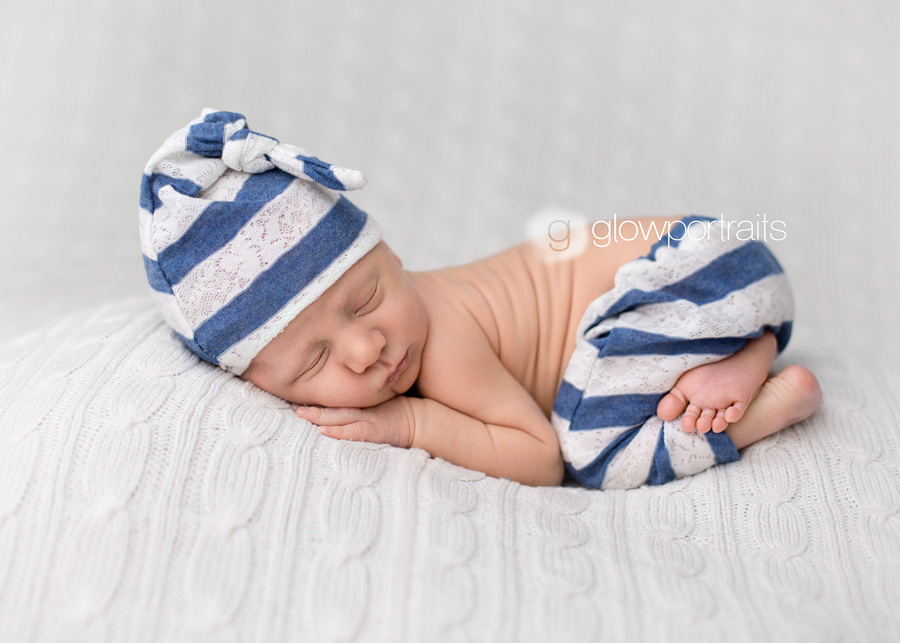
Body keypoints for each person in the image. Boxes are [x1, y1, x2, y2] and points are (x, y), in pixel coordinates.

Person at [141, 110, 822, 489]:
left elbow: (538, 456)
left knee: (595, 451)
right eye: (315, 359)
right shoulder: (398, 325)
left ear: (391, 255)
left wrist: (412, 424)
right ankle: (743, 345)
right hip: (719, 267)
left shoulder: (441, 339)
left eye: (367, 298)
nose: (367, 347)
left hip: (686, 273)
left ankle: (768, 397)